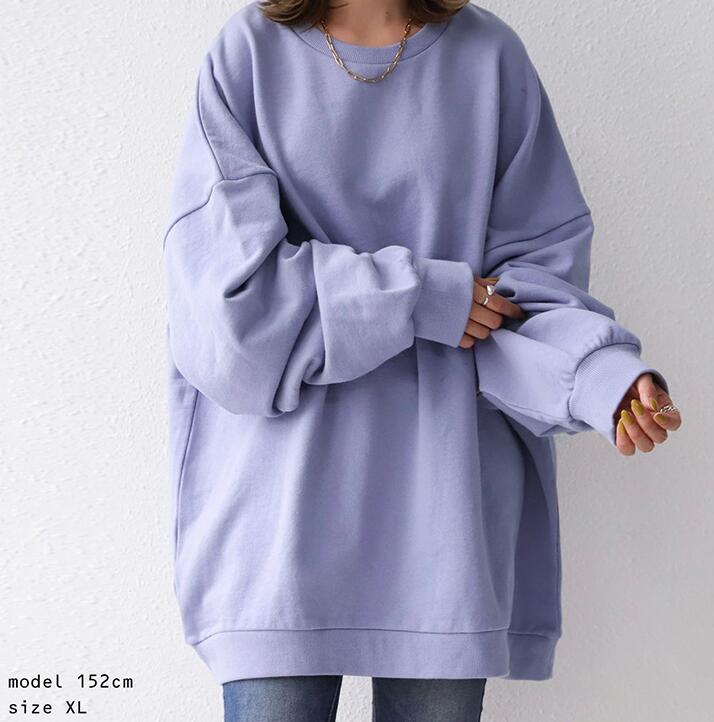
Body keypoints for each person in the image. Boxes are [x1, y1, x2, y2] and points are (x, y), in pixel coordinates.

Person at [161, 1, 682, 719]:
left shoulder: (488, 57)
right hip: (277, 514)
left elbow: (531, 283)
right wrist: (422, 296)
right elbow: (226, 308)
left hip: (441, 515)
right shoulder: (249, 52)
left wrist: (602, 378)